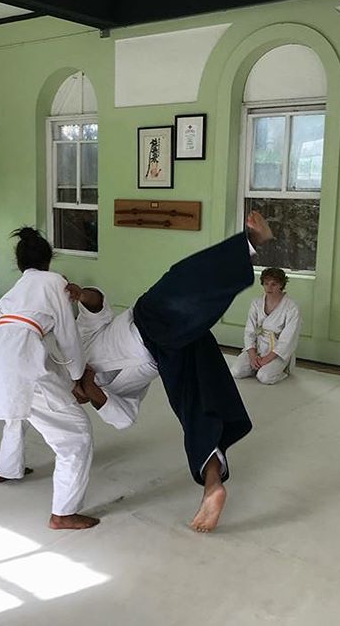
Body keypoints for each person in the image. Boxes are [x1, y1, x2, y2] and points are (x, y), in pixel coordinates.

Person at [70, 211, 274, 532]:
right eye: (77, 398)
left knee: (184, 280)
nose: (77, 394)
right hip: (166, 354)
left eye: (73, 390)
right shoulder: (110, 397)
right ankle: (212, 485)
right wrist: (94, 390)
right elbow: (123, 419)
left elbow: (95, 306)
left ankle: (248, 243)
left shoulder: (79, 348)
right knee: (198, 411)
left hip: (148, 319)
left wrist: (80, 293)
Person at [0, 227, 99, 530]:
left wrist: (66, 382)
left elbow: (23, 337)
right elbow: (68, 337)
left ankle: (8, 469)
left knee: (19, 404)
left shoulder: (10, 293)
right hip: (19, 357)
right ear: (49, 259)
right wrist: (78, 379)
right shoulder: (56, 282)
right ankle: (63, 513)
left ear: (20, 264)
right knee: (76, 435)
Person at [230, 267, 301, 385]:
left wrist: (266, 359)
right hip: (258, 347)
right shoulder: (256, 303)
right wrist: (253, 356)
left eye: (274, 284)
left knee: (264, 377)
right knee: (236, 371)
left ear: (281, 285)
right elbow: (249, 331)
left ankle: (283, 370)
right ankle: (256, 366)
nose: (269, 287)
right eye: (266, 283)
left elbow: (287, 340)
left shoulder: (292, 308)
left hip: (277, 351)